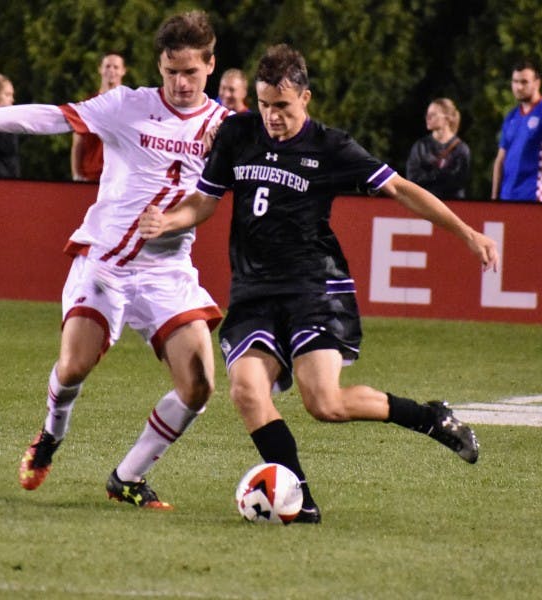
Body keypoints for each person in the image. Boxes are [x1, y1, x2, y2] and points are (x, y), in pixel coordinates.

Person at [139, 44, 498, 524]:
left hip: (316, 291)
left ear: (305, 98)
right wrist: (168, 221)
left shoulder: (330, 147)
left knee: (324, 403)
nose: (272, 116)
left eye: (283, 107)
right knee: (246, 391)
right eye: (264, 105)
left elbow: (401, 189)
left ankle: (431, 417)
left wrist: (467, 232)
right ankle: (299, 499)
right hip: (253, 293)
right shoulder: (237, 132)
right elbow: (204, 202)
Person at [0, 11, 230, 509]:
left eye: (190, 72)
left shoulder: (227, 129)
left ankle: (127, 478)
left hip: (168, 272)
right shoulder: (128, 106)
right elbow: (51, 117)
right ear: (159, 66)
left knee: (200, 387)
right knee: (74, 366)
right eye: (171, 71)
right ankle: (50, 435)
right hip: (106, 260)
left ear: (211, 65)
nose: (180, 83)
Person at [491, 58, 542, 202]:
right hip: (508, 196)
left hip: (536, 196)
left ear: (537, 83)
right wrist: (494, 197)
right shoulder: (512, 116)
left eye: (524, 82)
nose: (519, 87)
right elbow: (500, 160)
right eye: (515, 82)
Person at [70, 53, 126, 182]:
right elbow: (77, 144)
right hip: (91, 177)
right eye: (107, 66)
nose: (111, 70)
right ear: (100, 69)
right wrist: (76, 176)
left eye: (116, 67)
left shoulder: (131, 106)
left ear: (123, 71)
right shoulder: (88, 105)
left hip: (121, 179)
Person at [405, 98, 470, 199]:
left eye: (433, 114)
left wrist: (428, 176)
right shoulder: (421, 146)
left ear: (447, 118)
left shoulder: (461, 149)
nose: (428, 117)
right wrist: (441, 175)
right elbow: (412, 178)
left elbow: (458, 182)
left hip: (452, 204)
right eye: (427, 114)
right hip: (425, 202)